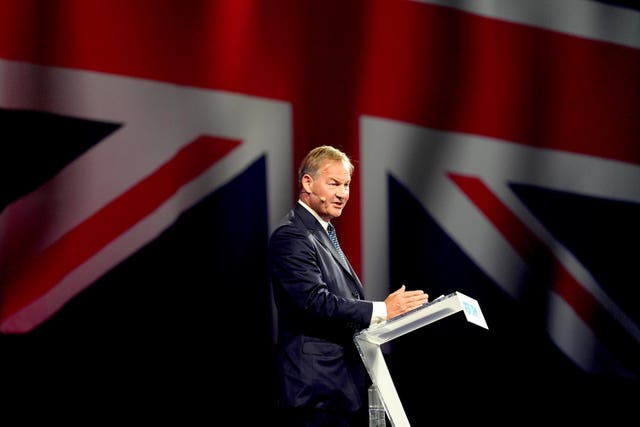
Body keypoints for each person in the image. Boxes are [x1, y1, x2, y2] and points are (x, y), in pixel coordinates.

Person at [268, 145, 429, 426]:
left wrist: (385, 317)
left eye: (347, 185)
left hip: (338, 388)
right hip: (314, 390)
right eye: (334, 184)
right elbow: (315, 301)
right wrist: (381, 309)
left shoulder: (322, 233)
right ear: (307, 182)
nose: (343, 194)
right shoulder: (292, 235)